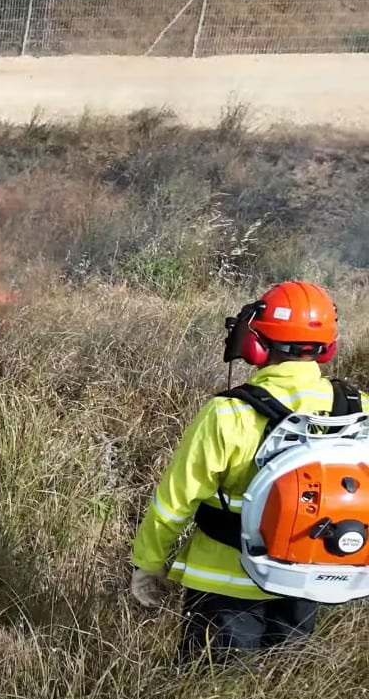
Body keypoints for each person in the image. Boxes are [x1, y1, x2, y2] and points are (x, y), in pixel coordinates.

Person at [128, 281, 367, 664]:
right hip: (311, 580)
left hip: (225, 582)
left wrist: (149, 563)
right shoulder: (358, 410)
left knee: (211, 694)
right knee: (280, 692)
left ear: (257, 346)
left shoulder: (229, 413)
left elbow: (175, 501)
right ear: (328, 346)